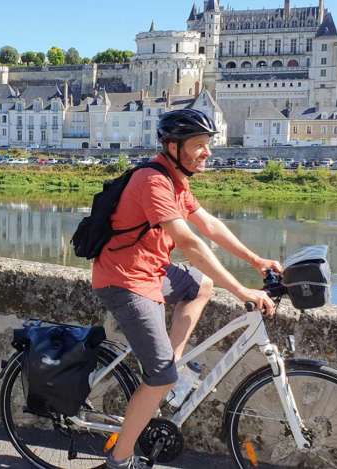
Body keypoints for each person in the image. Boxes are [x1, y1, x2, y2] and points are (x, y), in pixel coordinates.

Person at [91, 109, 280, 468]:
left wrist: (257, 261)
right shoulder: (154, 182)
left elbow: (209, 225)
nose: (207, 152)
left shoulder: (177, 181)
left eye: (208, 145)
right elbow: (189, 243)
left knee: (200, 284)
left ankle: (170, 371)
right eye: (199, 145)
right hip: (125, 280)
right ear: (173, 147)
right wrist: (242, 292)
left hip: (151, 271)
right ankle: (120, 459)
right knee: (159, 375)